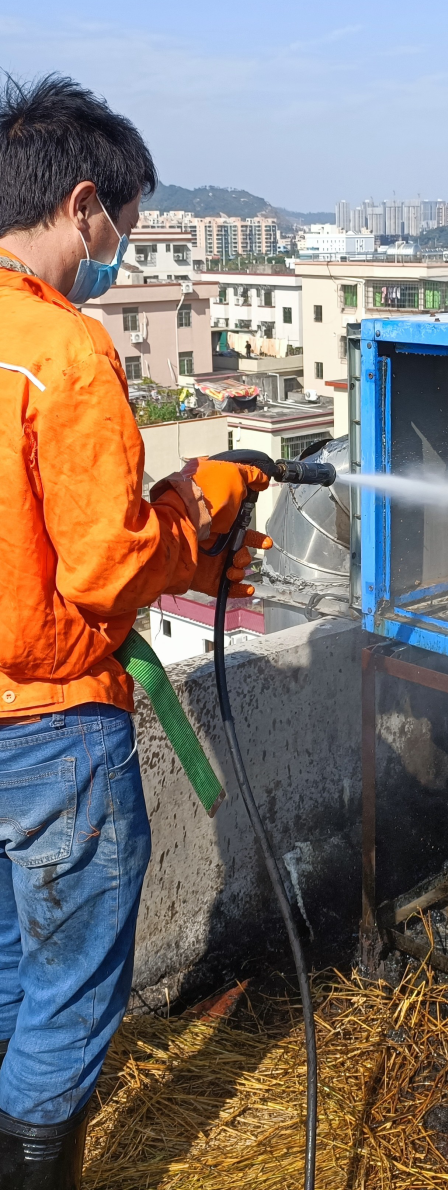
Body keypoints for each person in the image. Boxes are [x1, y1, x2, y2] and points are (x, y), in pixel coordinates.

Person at [0, 74, 270, 1187]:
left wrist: (153, 503)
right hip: (52, 727)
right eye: (127, 225)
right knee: (67, 987)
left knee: (10, 968)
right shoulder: (65, 352)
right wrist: (195, 521)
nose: (124, 250)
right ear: (81, 205)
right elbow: (108, 572)